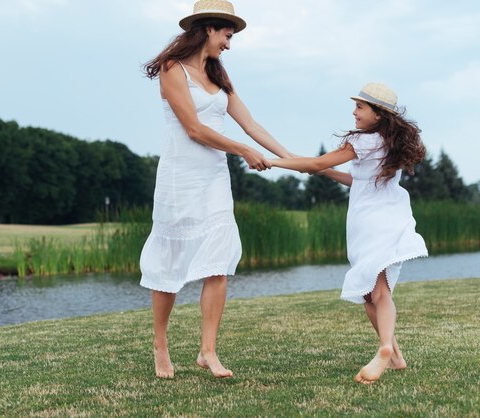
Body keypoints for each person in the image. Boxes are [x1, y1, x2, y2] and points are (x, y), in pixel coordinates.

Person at [140, 0, 294, 379]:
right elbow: (193, 129)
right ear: (209, 29)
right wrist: (241, 150)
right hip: (180, 178)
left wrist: (291, 159)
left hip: (214, 180)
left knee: (219, 262)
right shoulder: (172, 69)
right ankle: (160, 344)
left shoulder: (220, 77)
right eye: (227, 35)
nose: (229, 44)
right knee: (170, 264)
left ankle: (207, 351)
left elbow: (251, 124)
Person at [267, 82, 428, 384]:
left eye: (360, 107)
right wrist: (319, 170)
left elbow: (316, 162)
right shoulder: (386, 142)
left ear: (378, 114)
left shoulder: (362, 141)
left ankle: (383, 348)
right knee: (371, 292)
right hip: (389, 216)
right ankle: (394, 354)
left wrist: (275, 162)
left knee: (378, 292)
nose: (354, 112)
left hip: (369, 222)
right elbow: (357, 181)